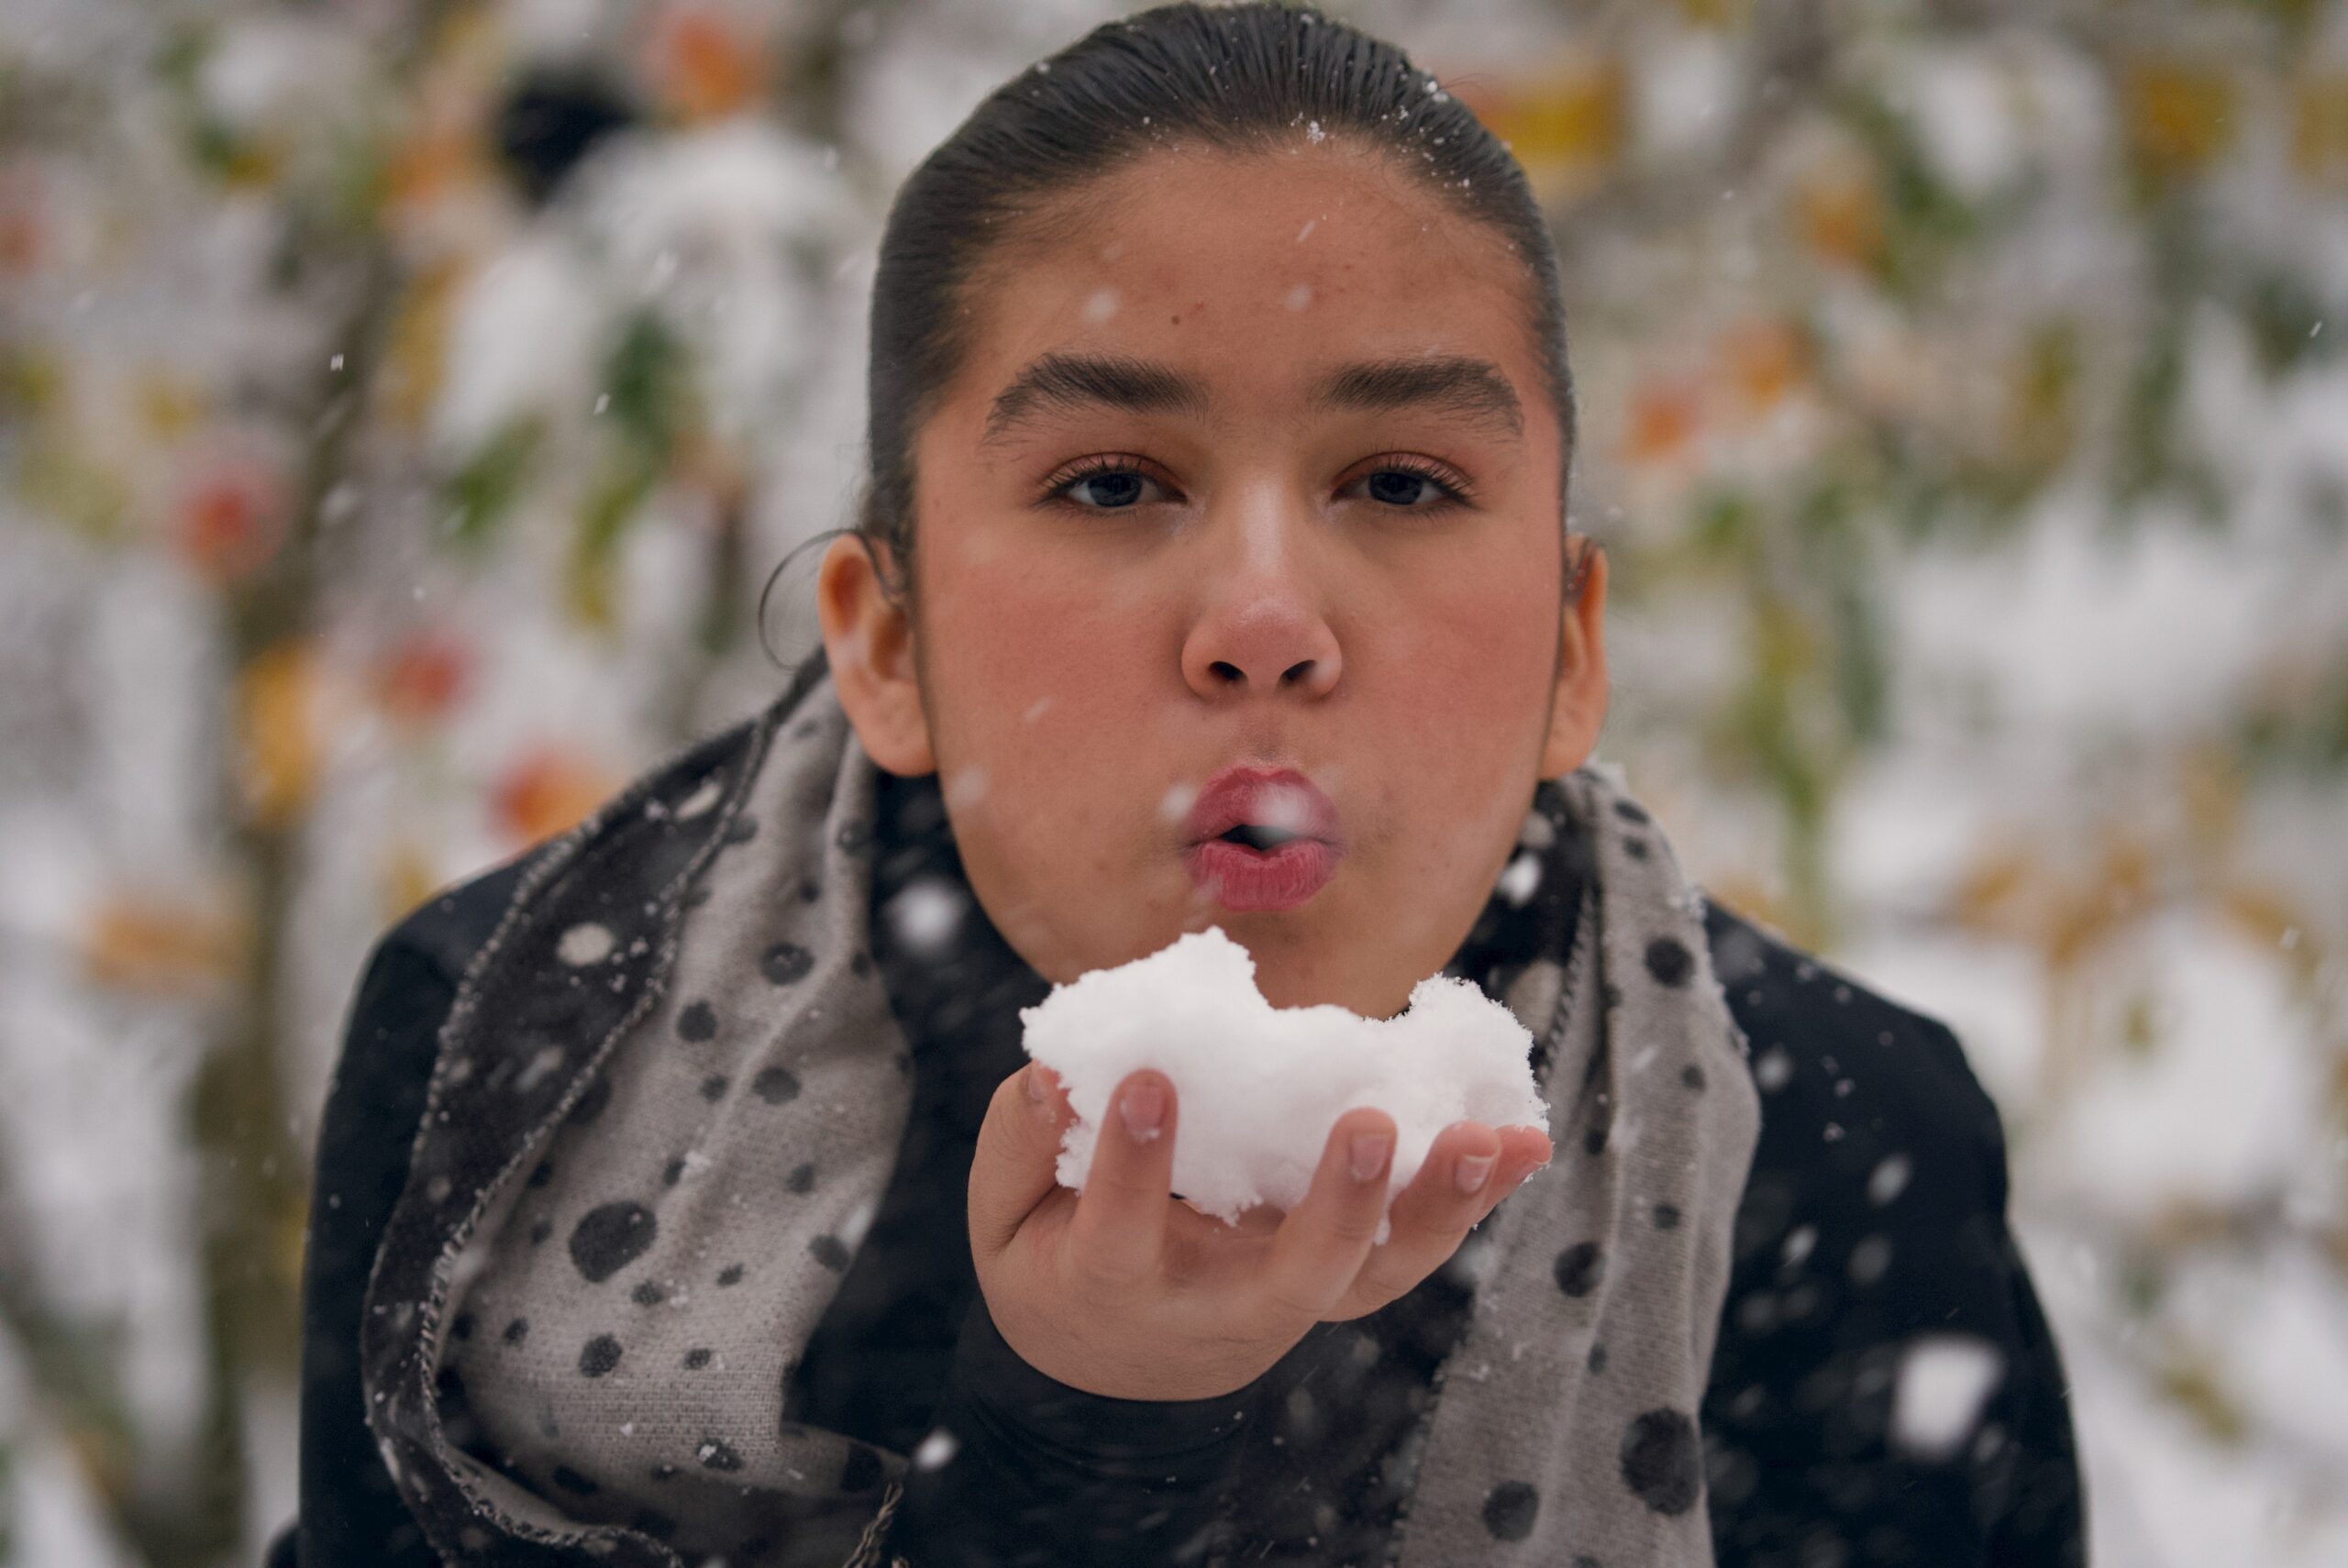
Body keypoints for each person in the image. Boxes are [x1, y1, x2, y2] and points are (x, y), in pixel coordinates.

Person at [271, 6, 2087, 1566]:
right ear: (886, 643)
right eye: (1112, 483)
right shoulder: (525, 1062)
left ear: (1567, 646)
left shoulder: (1831, 1148)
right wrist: (1087, 1435)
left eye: (1397, 482)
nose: (1264, 621)